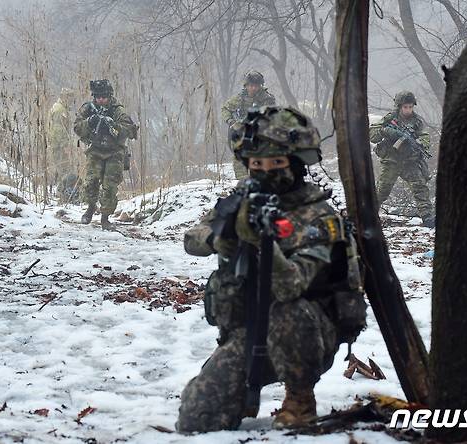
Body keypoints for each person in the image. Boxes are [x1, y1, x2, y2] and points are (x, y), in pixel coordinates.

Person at [176, 106, 366, 432]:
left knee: (288, 309)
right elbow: (193, 239)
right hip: (250, 331)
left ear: (295, 163)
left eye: (277, 163)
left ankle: (300, 400)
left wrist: (266, 245)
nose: (266, 171)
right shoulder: (245, 200)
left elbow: (290, 287)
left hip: (307, 336)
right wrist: (223, 238)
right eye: (257, 164)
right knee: (198, 416)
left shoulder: (319, 217)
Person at [73, 79, 138, 229]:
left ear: (109, 96)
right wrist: (89, 122)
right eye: (98, 97)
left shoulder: (117, 110)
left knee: (110, 186)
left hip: (114, 152)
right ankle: (90, 209)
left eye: (103, 97)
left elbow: (130, 130)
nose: (101, 100)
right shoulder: (88, 109)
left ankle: (105, 218)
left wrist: (113, 125)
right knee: (91, 182)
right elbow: (77, 127)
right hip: (95, 150)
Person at [369, 91, 435, 227]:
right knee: (382, 189)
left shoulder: (416, 121)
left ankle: (428, 217)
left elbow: (424, 136)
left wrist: (420, 143)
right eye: (405, 107)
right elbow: (373, 134)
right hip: (391, 160)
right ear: (399, 106)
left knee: (420, 187)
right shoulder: (390, 118)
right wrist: (385, 131)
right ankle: (369, 215)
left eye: (410, 107)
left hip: (409, 161)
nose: (408, 110)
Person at [221, 71, 276, 179]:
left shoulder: (267, 99)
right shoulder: (240, 98)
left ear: (260, 86)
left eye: (256, 86)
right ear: (246, 85)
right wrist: (231, 122)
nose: (253, 88)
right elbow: (225, 109)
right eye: (250, 85)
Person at [48, 88, 75, 190]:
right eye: (70, 98)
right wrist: (65, 145)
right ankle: (63, 193)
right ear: (65, 97)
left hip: (56, 144)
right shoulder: (60, 110)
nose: (71, 101)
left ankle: (62, 192)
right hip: (59, 146)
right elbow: (58, 130)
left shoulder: (58, 107)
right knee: (64, 169)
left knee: (62, 169)